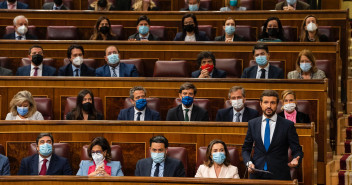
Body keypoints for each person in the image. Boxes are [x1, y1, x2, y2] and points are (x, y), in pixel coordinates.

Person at [242, 90, 303, 180]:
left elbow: (297, 150)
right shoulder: (252, 123)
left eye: (272, 103)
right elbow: (246, 149)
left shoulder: (288, 125)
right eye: (266, 102)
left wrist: (296, 159)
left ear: (277, 104)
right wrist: (249, 163)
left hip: (280, 175)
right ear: (260, 104)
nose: (269, 106)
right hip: (256, 174)